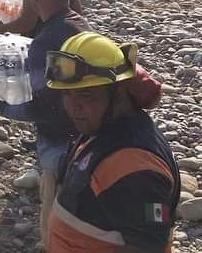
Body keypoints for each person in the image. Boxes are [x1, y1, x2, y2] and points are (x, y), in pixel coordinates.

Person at [0, 0, 91, 246]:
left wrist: (2, 107)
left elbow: (43, 108)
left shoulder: (45, 42)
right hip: (90, 136)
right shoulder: (81, 25)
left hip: (61, 142)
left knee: (55, 219)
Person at [45, 32, 180, 252]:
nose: (72, 107)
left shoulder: (135, 166)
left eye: (86, 95)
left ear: (118, 94)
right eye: (66, 95)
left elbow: (147, 247)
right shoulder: (102, 127)